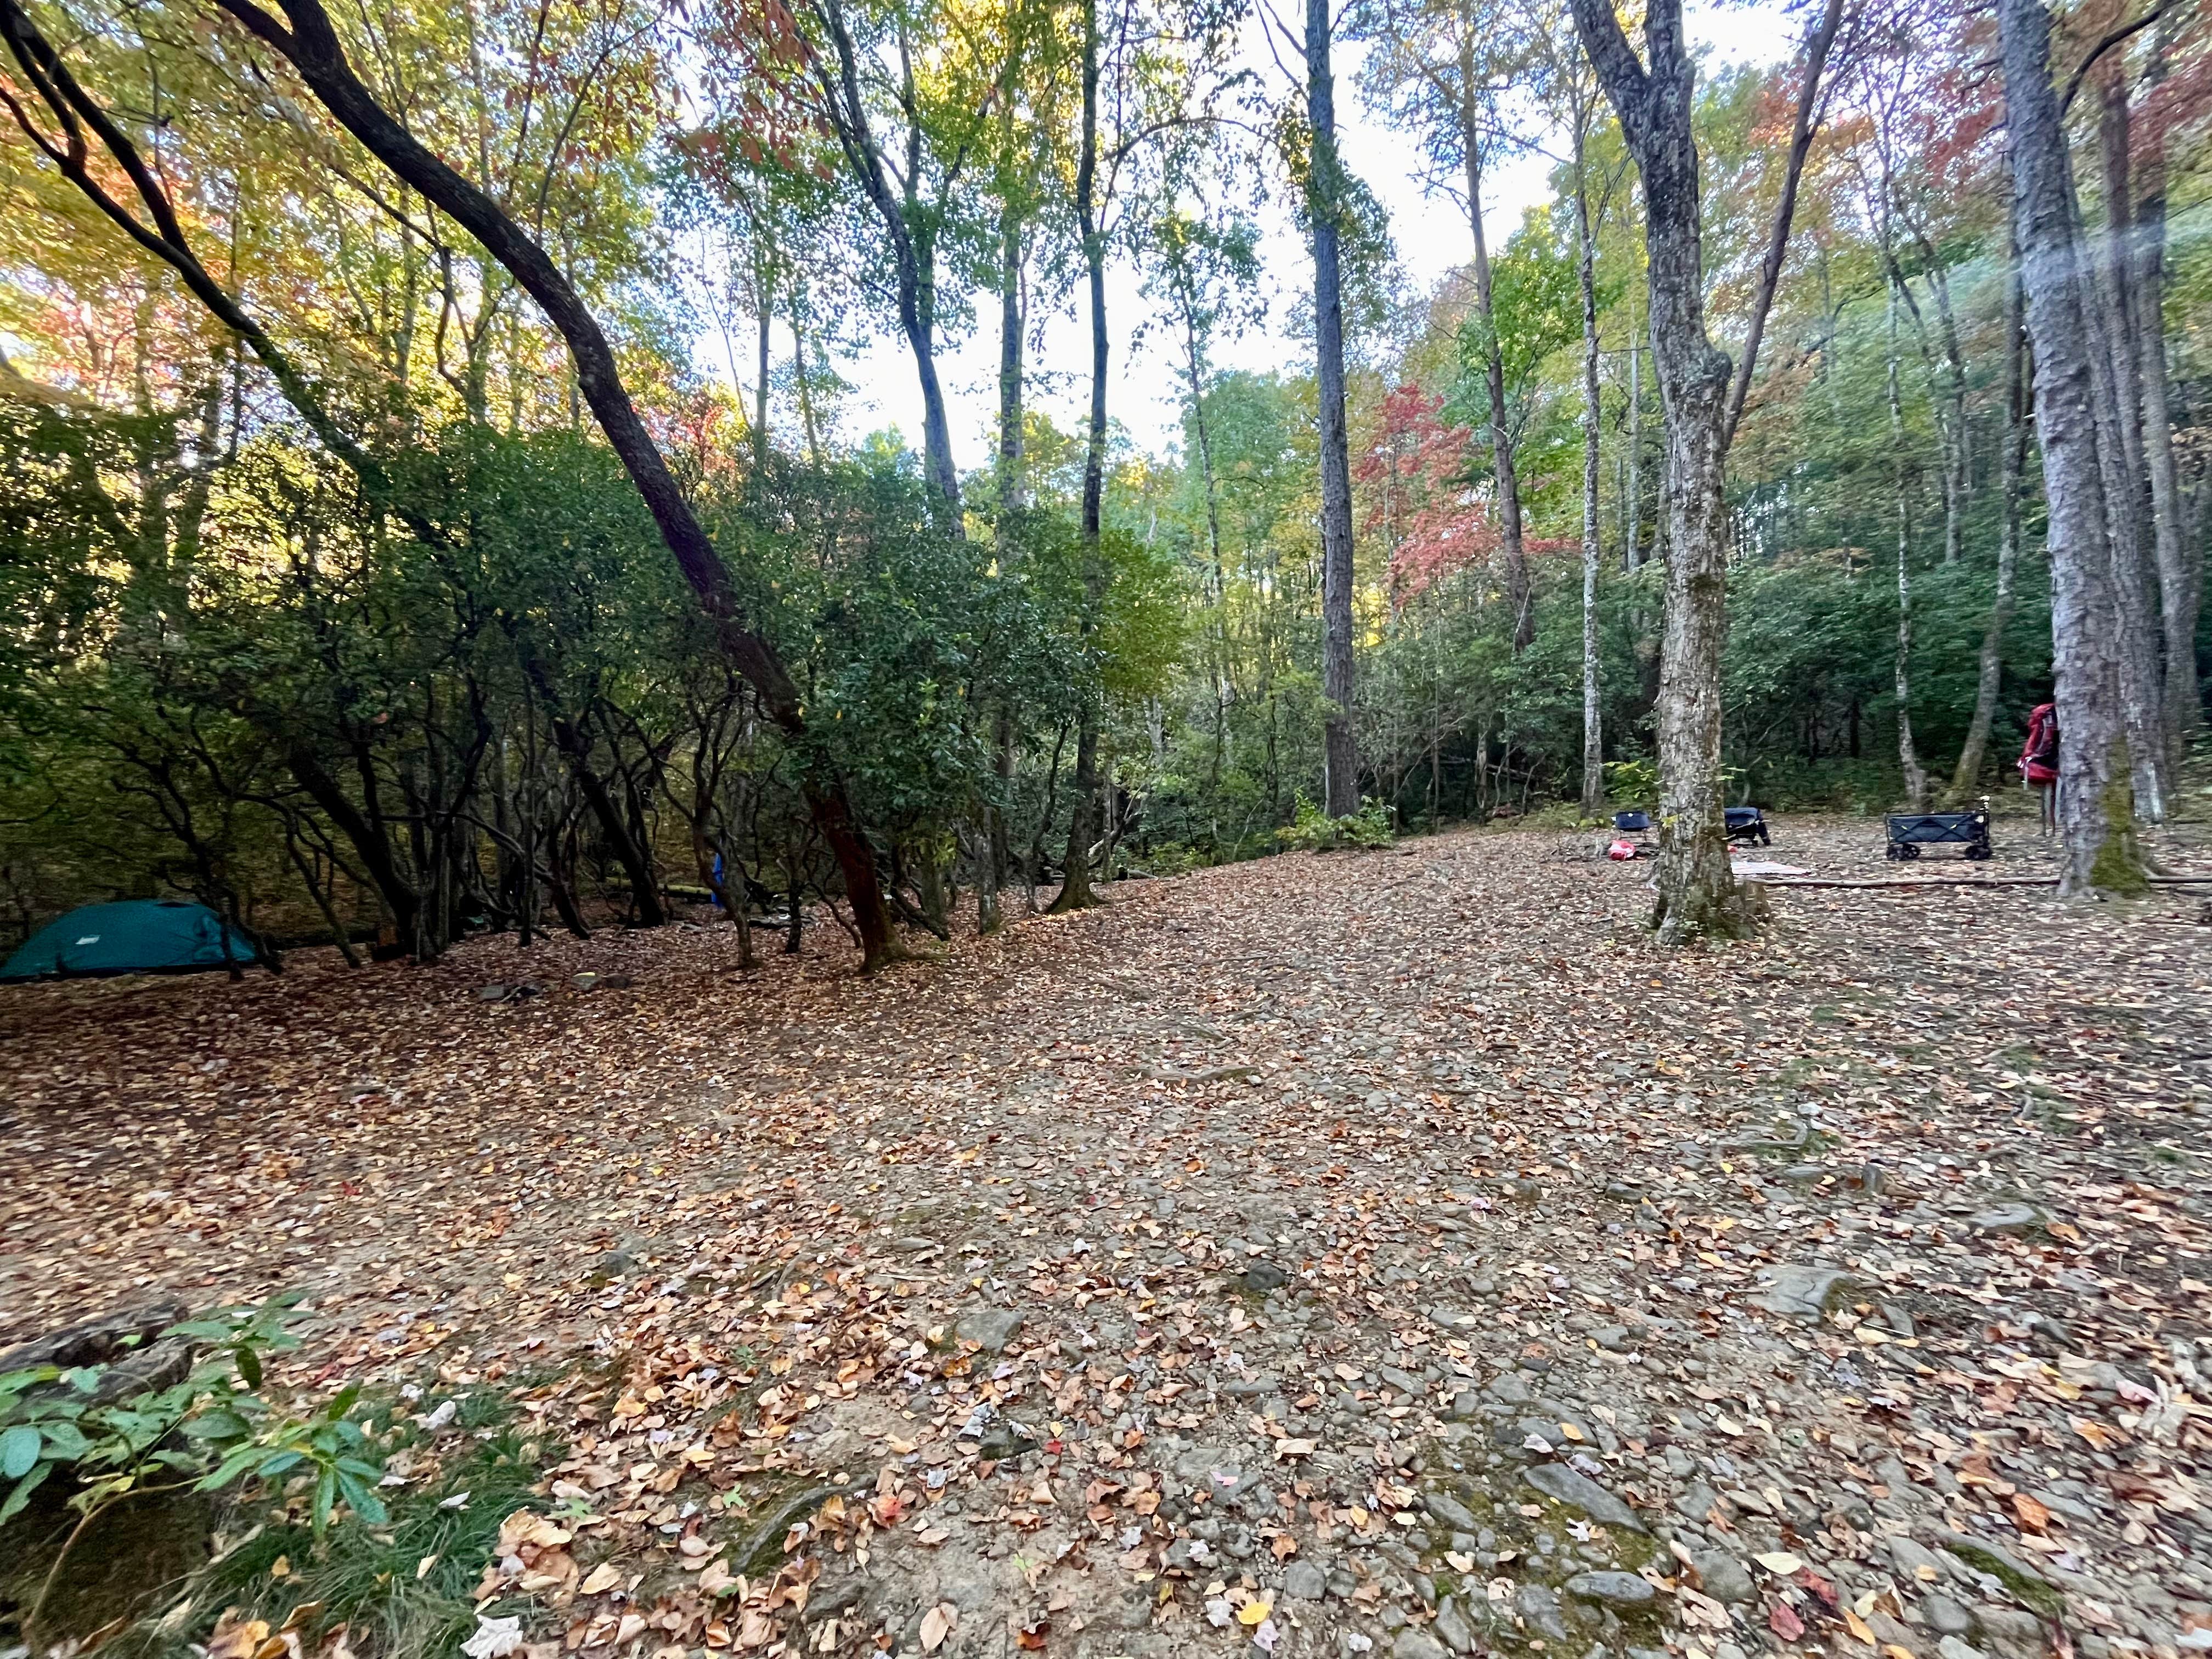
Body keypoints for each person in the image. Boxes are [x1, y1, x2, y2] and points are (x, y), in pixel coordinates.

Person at [2018, 701, 2058, 835]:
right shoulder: (2048, 714)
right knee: (2052, 796)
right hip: (2052, 760)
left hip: (2045, 759)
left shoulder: (2045, 714)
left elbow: (2040, 739)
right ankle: (2051, 829)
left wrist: (2033, 755)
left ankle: (2049, 829)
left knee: (2049, 796)